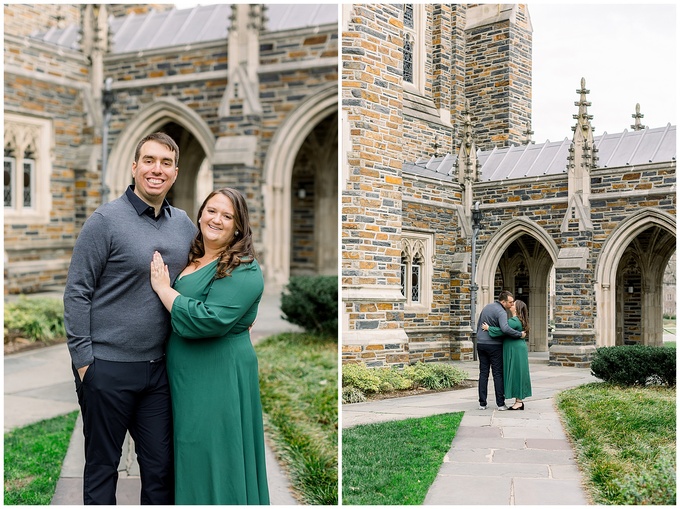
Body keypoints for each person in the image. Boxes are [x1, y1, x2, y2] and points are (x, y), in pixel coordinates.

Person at [64, 132, 197, 504]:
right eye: (150, 161)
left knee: (160, 470)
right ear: (135, 166)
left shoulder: (185, 224)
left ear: (175, 172)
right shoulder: (105, 220)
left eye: (166, 163)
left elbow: (209, 268)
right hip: (107, 368)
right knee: (102, 468)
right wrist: (85, 363)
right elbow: (77, 292)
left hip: (159, 372)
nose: (157, 169)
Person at [150, 187, 270, 505]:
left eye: (227, 216)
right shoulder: (194, 256)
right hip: (184, 375)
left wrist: (164, 290)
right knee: (188, 451)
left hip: (218, 374)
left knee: (213, 452)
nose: (216, 219)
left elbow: (209, 320)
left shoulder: (244, 267)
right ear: (200, 213)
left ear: (238, 226)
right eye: (211, 210)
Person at [475, 290, 525, 410]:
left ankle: (482, 403)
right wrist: (519, 334)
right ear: (503, 302)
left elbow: (478, 325)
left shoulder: (487, 307)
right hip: (494, 345)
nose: (512, 304)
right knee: (497, 374)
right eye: (510, 302)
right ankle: (500, 404)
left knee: (483, 373)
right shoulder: (501, 311)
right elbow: (505, 329)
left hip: (481, 344)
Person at [483, 299, 532, 410]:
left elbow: (502, 330)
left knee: (516, 373)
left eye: (513, 304)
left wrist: (489, 328)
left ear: (517, 308)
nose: (511, 305)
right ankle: (519, 401)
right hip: (517, 349)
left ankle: (519, 402)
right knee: (518, 373)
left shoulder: (514, 321)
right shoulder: (519, 320)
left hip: (515, 350)